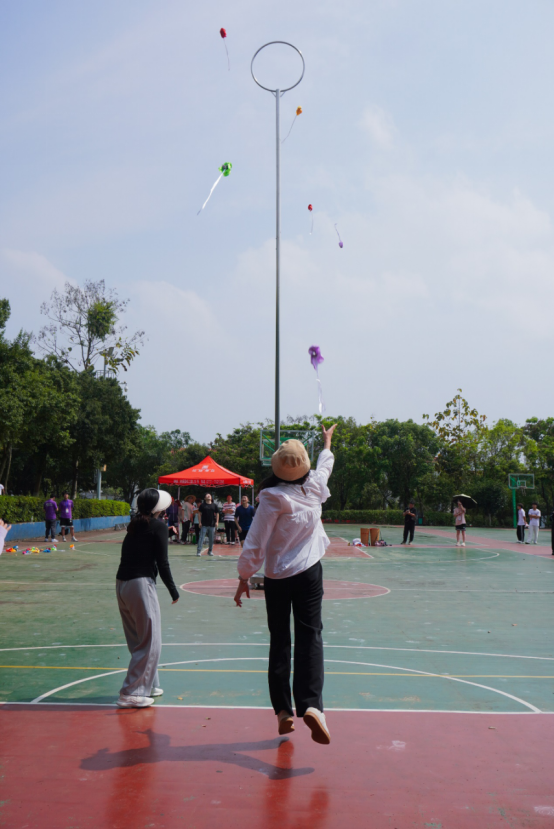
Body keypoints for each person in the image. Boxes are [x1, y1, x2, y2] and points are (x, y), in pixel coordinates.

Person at [234, 424, 337, 746]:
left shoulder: (272, 497)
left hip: (278, 577)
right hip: (309, 572)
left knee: (280, 640)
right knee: (311, 635)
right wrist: (327, 443)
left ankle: (283, 711)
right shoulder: (315, 486)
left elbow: (255, 541)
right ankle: (312, 706)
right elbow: (325, 466)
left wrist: (244, 576)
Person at [115, 488, 179, 708]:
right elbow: (163, 563)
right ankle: (131, 692)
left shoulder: (135, 525)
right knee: (151, 641)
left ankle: (148, 685)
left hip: (122, 584)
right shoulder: (158, 526)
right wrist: (173, 590)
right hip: (141, 585)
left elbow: (144, 545)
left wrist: (165, 533)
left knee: (137, 639)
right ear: (158, 508)